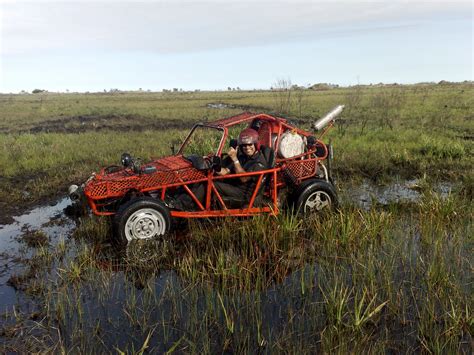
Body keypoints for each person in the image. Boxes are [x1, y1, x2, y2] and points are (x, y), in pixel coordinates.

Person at [171, 128, 267, 210]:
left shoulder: (259, 162)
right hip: (234, 186)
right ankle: (177, 198)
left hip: (244, 193)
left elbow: (243, 178)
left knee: (210, 185)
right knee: (201, 178)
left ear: (256, 145)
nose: (247, 148)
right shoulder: (243, 157)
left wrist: (234, 159)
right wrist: (214, 166)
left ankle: (182, 206)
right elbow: (225, 172)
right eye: (244, 145)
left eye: (250, 144)